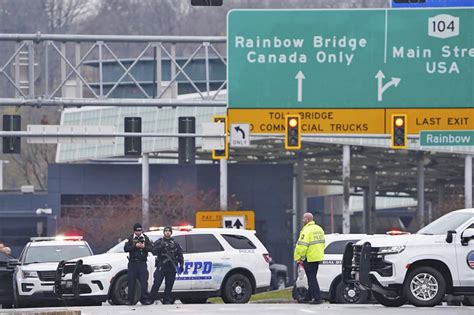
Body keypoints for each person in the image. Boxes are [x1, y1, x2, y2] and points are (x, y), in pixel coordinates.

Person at [145, 226, 184, 305]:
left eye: (169, 231)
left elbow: (180, 254)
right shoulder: (159, 241)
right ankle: (150, 299)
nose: (167, 232)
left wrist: (181, 264)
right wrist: (160, 247)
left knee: (169, 284)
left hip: (171, 266)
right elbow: (153, 251)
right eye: (166, 231)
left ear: (171, 233)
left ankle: (166, 299)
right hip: (162, 265)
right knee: (157, 283)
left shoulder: (175, 243)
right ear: (164, 232)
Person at [294, 212, 325, 304]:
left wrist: (301, 257)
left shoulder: (306, 230)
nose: (303, 220)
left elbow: (302, 246)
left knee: (311, 279)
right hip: (317, 257)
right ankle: (308, 297)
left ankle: (317, 298)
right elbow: (323, 243)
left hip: (309, 257)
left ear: (307, 220)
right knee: (312, 278)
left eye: (303, 219)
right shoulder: (319, 229)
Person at [124, 223, 152, 305]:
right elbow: (126, 248)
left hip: (142, 263)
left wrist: (144, 247)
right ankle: (130, 300)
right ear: (134, 231)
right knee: (131, 282)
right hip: (133, 263)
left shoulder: (145, 238)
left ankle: (144, 299)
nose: (139, 232)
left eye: (140, 230)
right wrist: (135, 246)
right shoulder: (130, 238)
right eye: (137, 231)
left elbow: (151, 248)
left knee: (143, 282)